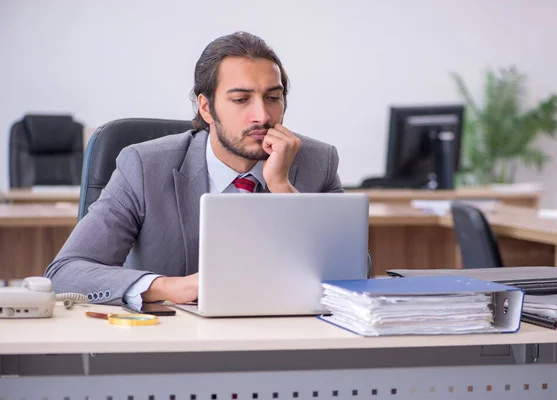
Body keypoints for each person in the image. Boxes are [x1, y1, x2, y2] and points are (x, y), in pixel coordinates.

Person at [45, 32, 344, 305]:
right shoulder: (144, 166)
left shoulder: (318, 162)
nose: (262, 115)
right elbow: (65, 272)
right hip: (174, 345)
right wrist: (169, 287)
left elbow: (349, 275)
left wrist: (283, 189)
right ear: (206, 108)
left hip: (288, 340)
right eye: (241, 99)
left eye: (273, 98)